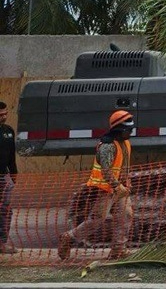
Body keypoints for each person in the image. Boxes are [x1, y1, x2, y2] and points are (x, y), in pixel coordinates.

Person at [58, 110, 135, 260]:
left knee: (126, 215)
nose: (130, 133)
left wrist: (127, 180)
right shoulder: (107, 146)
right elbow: (106, 170)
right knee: (97, 220)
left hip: (118, 188)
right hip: (103, 189)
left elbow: (123, 165)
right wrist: (117, 186)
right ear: (118, 130)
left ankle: (118, 250)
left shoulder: (125, 143)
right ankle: (68, 237)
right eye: (128, 130)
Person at [0, 102, 18, 254]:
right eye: (0, 115)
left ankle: (2, 243)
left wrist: (14, 175)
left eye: (5, 114)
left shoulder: (9, 132)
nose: (4, 117)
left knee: (6, 209)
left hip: (4, 176)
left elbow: (12, 157)